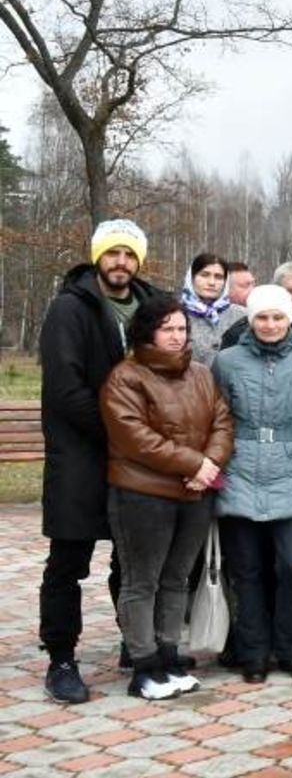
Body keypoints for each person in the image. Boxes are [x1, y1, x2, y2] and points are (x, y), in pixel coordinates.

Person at [40, 218, 158, 704]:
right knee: (68, 562)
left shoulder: (152, 306)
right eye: (113, 253)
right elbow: (65, 388)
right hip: (81, 457)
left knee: (132, 560)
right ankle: (61, 658)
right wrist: (122, 432)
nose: (121, 263)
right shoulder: (70, 308)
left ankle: (136, 644)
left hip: (136, 461)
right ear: (98, 257)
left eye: (130, 255)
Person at [100, 296, 233, 699]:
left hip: (195, 494)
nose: (177, 336)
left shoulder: (200, 375)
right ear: (148, 332)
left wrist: (209, 464)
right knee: (142, 581)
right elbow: (135, 437)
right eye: (167, 328)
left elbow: (222, 421)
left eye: (181, 328)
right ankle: (143, 664)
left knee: (177, 579)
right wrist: (194, 464)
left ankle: (169, 654)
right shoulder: (125, 378)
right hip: (143, 494)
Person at [212, 284, 292, 683]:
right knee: (246, 569)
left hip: (291, 471)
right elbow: (218, 421)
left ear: (289, 319)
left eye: (278, 317)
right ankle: (254, 653)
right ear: (250, 319)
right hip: (241, 471)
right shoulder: (227, 362)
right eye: (262, 317)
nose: (270, 324)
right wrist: (216, 470)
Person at [181, 252, 245, 367]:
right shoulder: (175, 313)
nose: (211, 283)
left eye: (218, 277)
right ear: (191, 278)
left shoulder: (242, 316)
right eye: (204, 275)